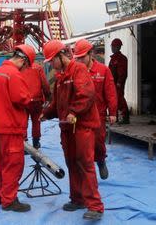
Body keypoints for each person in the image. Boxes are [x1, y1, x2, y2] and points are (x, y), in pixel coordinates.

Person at [41, 40, 104, 221]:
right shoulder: (61, 78)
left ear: (62, 56)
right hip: (68, 128)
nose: (52, 65)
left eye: (52, 61)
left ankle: (95, 206)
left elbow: (86, 95)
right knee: (71, 162)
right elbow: (57, 104)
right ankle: (77, 199)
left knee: (85, 163)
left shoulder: (79, 70)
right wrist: (46, 114)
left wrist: (73, 112)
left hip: (82, 126)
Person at [0, 44, 35, 212]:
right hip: (11, 127)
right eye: (26, 66)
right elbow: (22, 99)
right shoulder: (13, 74)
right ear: (22, 60)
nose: (25, 70)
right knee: (13, 164)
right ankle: (9, 200)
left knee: (1, 163)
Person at [73, 39, 117, 180]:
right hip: (80, 116)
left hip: (98, 115)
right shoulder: (74, 71)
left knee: (98, 143)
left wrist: (113, 112)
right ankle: (87, 173)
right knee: (82, 146)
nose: (80, 60)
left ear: (90, 54)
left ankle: (101, 161)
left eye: (82, 57)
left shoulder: (103, 70)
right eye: (77, 57)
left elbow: (110, 92)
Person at [21, 61, 51, 148]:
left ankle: (24, 145)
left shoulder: (19, 67)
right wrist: (48, 97)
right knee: (36, 122)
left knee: (23, 122)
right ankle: (36, 143)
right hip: (36, 101)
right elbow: (45, 84)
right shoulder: (38, 67)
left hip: (23, 99)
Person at [108, 38, 129, 124]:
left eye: (113, 46)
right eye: (112, 46)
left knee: (119, 99)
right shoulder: (113, 59)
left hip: (118, 83)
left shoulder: (121, 59)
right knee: (114, 100)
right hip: (113, 83)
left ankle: (125, 117)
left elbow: (122, 72)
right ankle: (115, 116)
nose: (112, 48)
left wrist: (119, 82)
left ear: (118, 47)